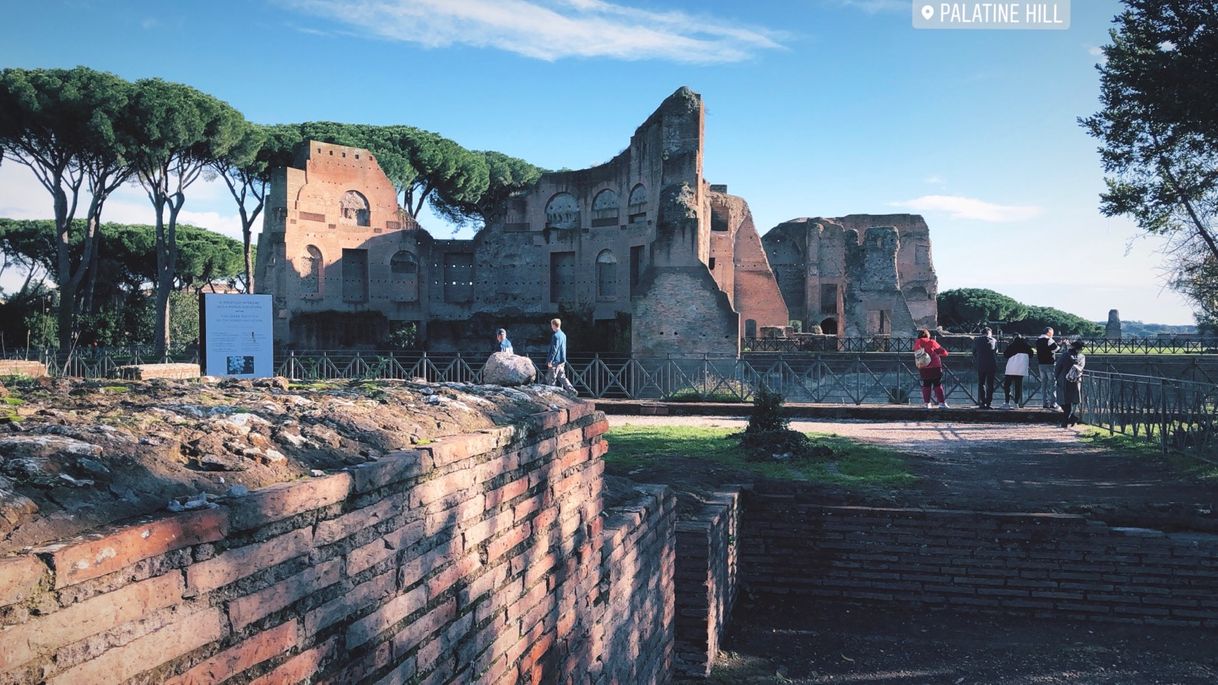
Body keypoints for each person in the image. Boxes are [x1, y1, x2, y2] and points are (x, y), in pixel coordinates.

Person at [913, 329, 950, 409]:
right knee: (937, 384)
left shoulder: (917, 343)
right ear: (927, 335)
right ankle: (941, 403)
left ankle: (927, 403)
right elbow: (943, 352)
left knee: (926, 385)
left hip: (923, 367)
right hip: (935, 367)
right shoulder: (932, 342)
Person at [1055, 340, 1086, 427]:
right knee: (1074, 400)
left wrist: (1057, 377)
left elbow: (1058, 367)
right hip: (1075, 380)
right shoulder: (1081, 357)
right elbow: (1081, 368)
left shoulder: (1065, 355)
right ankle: (1071, 417)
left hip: (1063, 379)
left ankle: (1066, 420)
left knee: (1063, 400)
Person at [1001, 333, 1033, 409]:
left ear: (1014, 337)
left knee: (1007, 385)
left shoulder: (1012, 345)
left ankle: (1007, 402)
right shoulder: (1026, 345)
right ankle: (1016, 403)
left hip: (1011, 368)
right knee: (1018, 386)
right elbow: (1031, 354)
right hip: (1021, 369)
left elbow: (1005, 354)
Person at [546, 318, 577, 394]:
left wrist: (550, 360)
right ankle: (572, 390)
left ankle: (552, 394)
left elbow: (554, 349)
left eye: (551, 325)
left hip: (555, 361)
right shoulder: (563, 335)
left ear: (553, 325)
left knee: (552, 379)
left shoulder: (555, 336)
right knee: (562, 377)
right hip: (562, 360)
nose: (551, 326)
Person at [1035, 327, 1061, 410]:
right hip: (1050, 364)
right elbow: (1056, 349)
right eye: (1052, 333)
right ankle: (1053, 403)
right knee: (1052, 383)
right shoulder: (1049, 340)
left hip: (1041, 364)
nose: (1052, 334)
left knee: (1044, 384)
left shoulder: (1038, 340)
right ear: (1049, 332)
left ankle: (1045, 403)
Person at [972, 327, 998, 409]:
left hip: (981, 365)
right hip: (991, 365)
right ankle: (989, 403)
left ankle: (982, 402)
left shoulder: (977, 341)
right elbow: (996, 352)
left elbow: (974, 352)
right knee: (990, 385)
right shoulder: (994, 340)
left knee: (981, 384)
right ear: (989, 333)